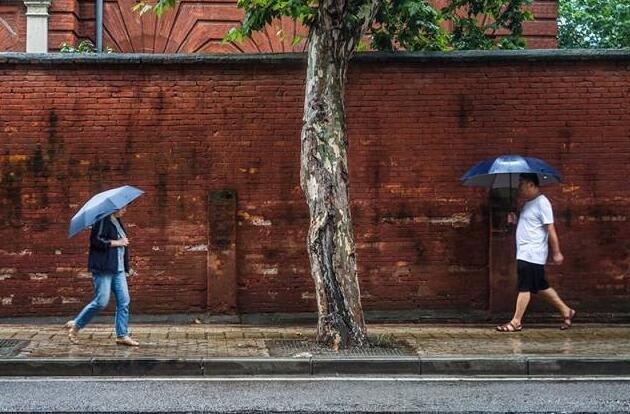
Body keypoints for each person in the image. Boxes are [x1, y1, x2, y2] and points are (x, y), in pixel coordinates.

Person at [496, 173, 576, 332]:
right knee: (540, 286)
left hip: (532, 253)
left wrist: (557, 252)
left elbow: (550, 228)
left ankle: (516, 322)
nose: (519, 187)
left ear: (531, 184)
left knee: (524, 286)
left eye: (522, 184)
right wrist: (515, 220)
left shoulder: (542, 203)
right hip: (526, 252)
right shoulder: (528, 204)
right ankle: (566, 311)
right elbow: (530, 226)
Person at [64, 206, 139, 346]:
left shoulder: (117, 220)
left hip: (118, 269)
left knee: (124, 301)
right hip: (104, 268)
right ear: (114, 208)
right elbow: (96, 241)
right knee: (101, 302)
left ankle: (122, 335)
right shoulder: (102, 220)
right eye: (123, 208)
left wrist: (125, 263)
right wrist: (118, 242)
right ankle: (76, 326)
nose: (125, 210)